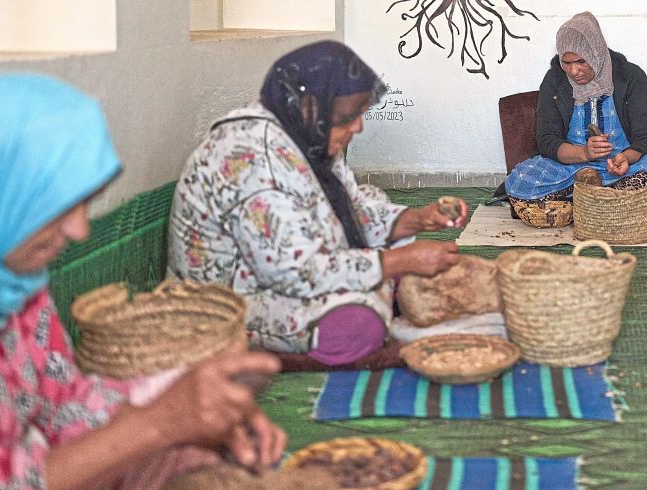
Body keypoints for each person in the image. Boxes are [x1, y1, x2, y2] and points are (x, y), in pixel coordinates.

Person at [0, 74, 284, 490]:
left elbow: (66, 403)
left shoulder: (16, 285)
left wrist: (197, 414)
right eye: (56, 207)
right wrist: (160, 422)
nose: (80, 230)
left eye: (85, 204)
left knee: (195, 462)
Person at [169, 41, 469, 367]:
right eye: (348, 116)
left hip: (294, 270)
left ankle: (371, 302)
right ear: (309, 106)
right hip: (232, 297)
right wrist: (397, 261)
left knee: (413, 277)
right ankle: (287, 353)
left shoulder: (309, 135)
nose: (358, 126)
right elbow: (294, 271)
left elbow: (352, 210)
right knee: (358, 325)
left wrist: (417, 219)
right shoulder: (254, 157)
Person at [505, 12, 647, 220]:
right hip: (571, 170)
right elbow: (547, 140)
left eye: (581, 61)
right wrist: (584, 153)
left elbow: (646, 136)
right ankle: (612, 202)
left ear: (596, 52)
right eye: (566, 62)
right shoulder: (554, 79)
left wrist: (625, 158)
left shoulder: (630, 76)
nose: (574, 71)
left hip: (626, 168)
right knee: (518, 181)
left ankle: (582, 203)